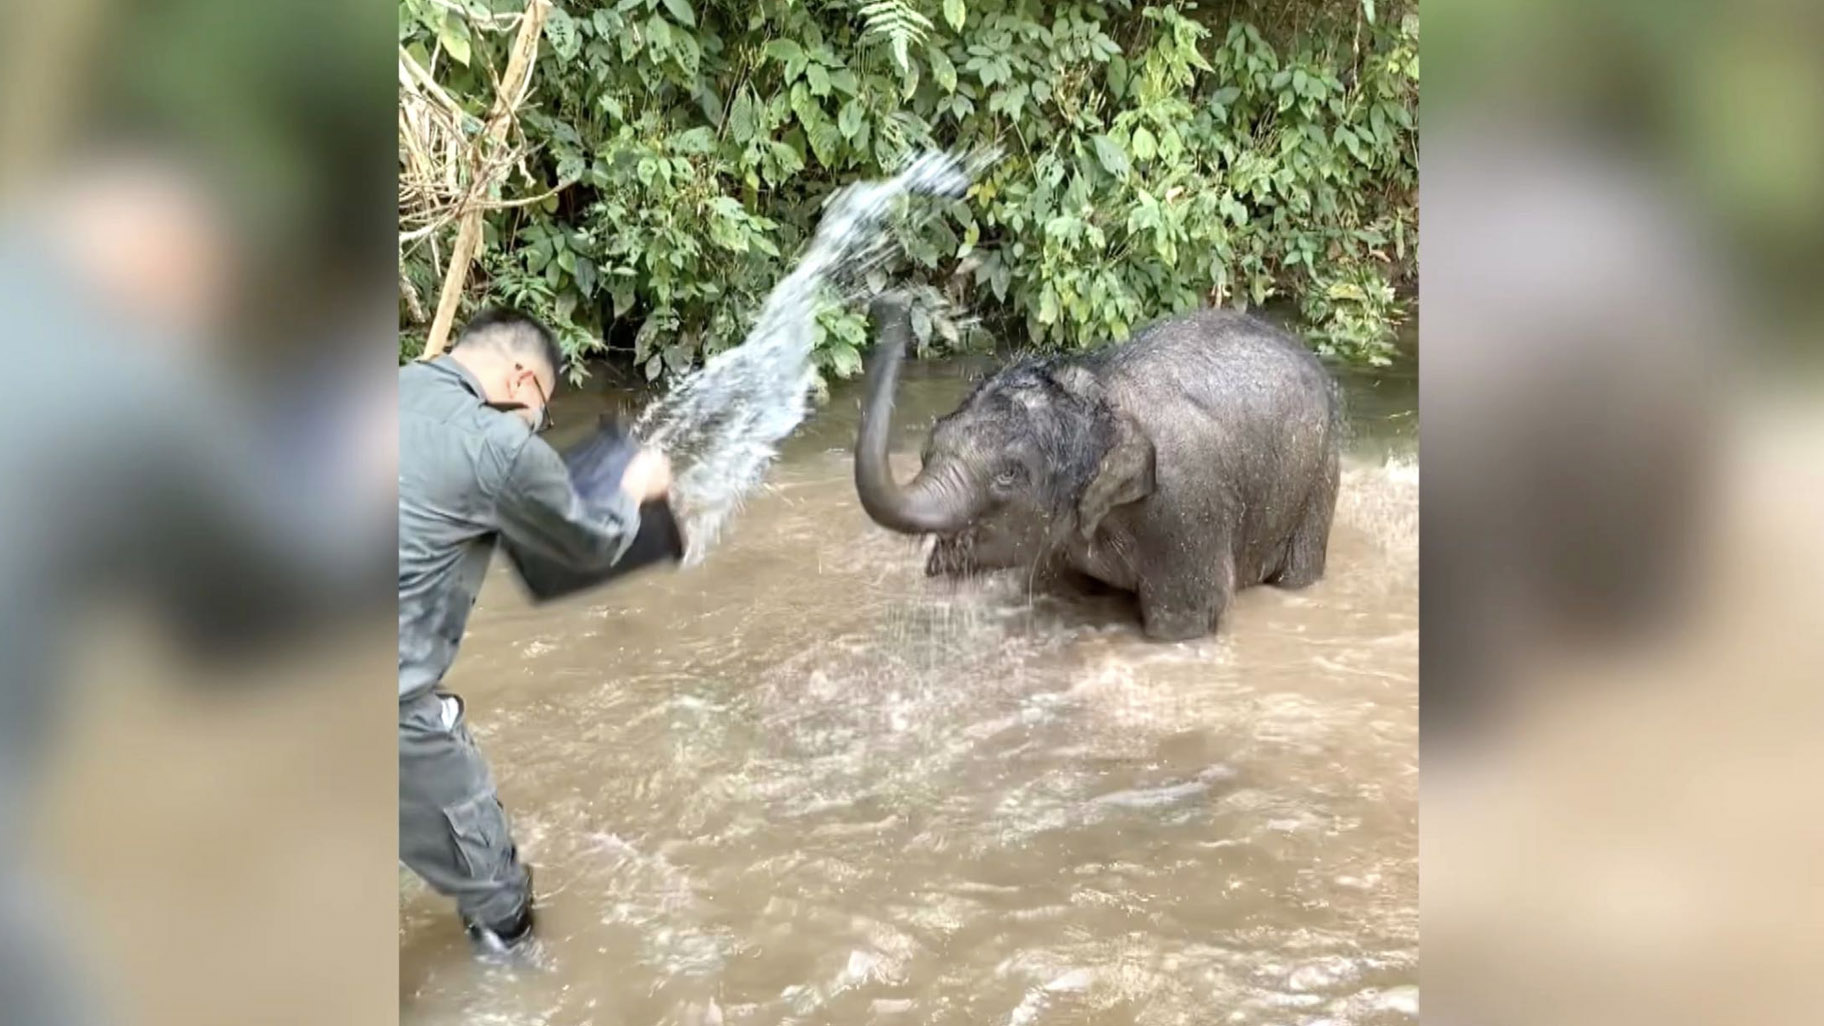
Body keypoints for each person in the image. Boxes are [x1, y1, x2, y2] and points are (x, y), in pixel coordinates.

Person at [398, 308, 671, 951]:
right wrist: (635, 489)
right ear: (523, 380)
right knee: (498, 895)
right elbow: (592, 541)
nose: (536, 425)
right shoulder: (499, 444)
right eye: (543, 410)